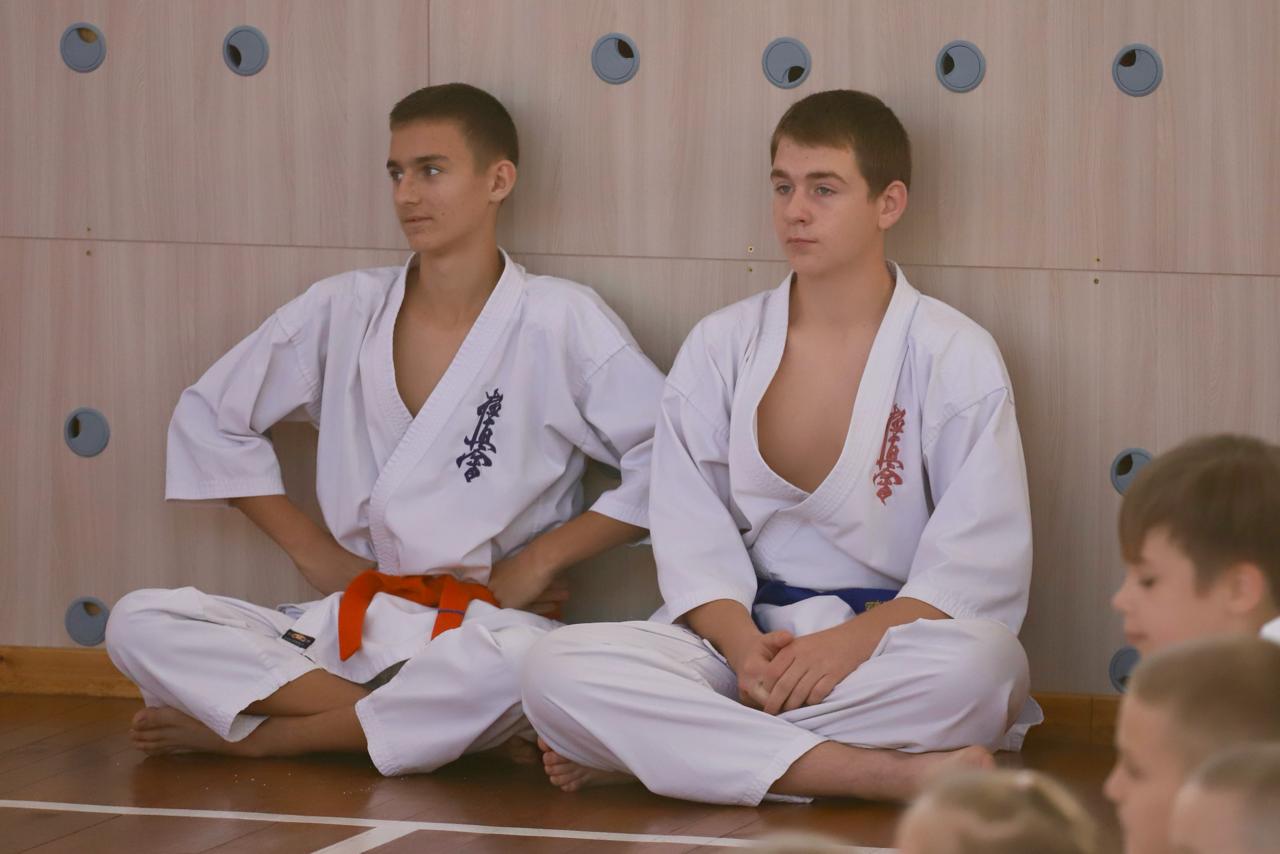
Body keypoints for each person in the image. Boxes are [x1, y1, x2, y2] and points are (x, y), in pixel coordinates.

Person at [105, 83, 664, 776]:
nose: (406, 194)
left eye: (431, 170)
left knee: (531, 665)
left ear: (498, 180)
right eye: (396, 172)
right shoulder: (344, 308)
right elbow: (209, 416)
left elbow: (673, 459)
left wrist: (540, 561)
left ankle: (264, 737)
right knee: (138, 621)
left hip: (484, 628)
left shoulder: (560, 319)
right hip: (355, 619)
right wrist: (313, 551)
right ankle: (419, 727)